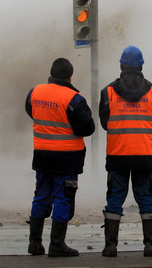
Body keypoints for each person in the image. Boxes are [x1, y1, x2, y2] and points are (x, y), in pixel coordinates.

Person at [25, 58, 95, 257]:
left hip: (41, 155)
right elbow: (88, 128)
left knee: (40, 197)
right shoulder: (74, 98)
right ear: (70, 76)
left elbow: (31, 111)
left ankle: (34, 243)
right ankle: (57, 244)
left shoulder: (35, 92)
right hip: (66, 158)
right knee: (63, 198)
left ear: (51, 73)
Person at [99, 46, 152, 257]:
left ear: (121, 65)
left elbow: (104, 123)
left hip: (118, 153)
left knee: (115, 198)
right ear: (141, 66)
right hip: (144, 155)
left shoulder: (108, 92)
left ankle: (110, 247)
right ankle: (150, 246)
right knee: (146, 198)